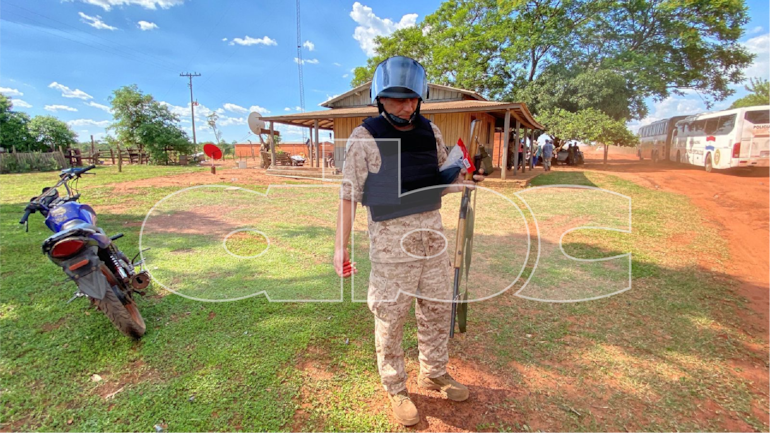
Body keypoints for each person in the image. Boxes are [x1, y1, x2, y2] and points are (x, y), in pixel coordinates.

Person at [333, 56, 485, 426]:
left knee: (437, 310)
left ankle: (433, 373)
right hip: (391, 247)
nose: (407, 106)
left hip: (432, 241)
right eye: (398, 99)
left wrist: (463, 180)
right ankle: (396, 387)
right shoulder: (365, 138)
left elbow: (437, 182)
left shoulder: (431, 131)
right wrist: (340, 246)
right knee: (390, 318)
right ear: (380, 99)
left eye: (413, 99)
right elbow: (349, 196)